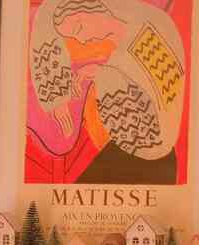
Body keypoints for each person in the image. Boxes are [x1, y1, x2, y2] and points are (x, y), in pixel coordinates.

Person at [29, 0, 186, 182]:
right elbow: (48, 12)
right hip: (130, 149)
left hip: (150, 155)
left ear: (93, 9)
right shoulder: (125, 39)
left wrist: (103, 74)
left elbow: (155, 98)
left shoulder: (148, 32)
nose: (82, 40)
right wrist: (60, 93)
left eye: (79, 29)